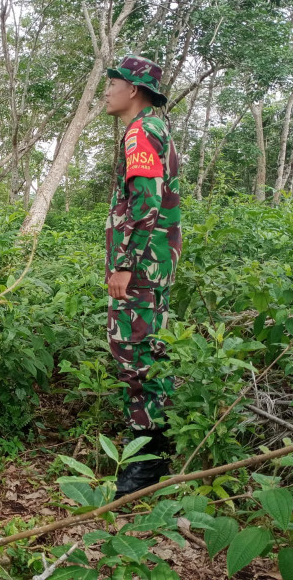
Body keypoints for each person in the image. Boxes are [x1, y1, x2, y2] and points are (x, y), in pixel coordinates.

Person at [103, 55, 182, 498]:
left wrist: (126, 263)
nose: (106, 92)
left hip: (142, 265)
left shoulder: (141, 131)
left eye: (111, 83)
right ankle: (153, 444)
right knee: (147, 346)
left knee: (133, 351)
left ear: (132, 88)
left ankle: (146, 465)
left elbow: (146, 199)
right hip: (153, 261)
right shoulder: (154, 128)